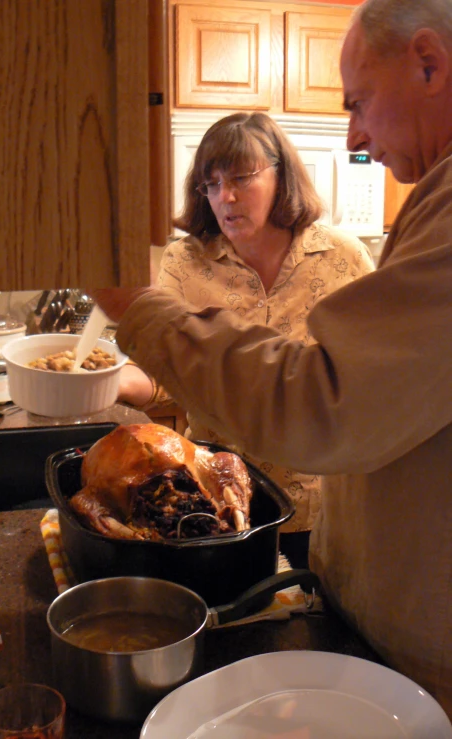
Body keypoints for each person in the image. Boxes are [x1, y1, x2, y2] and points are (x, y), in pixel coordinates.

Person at [93, 0, 452, 715]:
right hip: (373, 625)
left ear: (429, 63)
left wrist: (138, 308)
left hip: (425, 662)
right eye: (211, 185)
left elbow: (324, 401)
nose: (356, 134)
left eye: (359, 102)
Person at [118, 112, 374, 568]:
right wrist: (113, 383)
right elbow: (168, 379)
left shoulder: (343, 258)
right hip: (217, 503)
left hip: (324, 505)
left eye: (241, 178)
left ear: (283, 176)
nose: (226, 197)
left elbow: (368, 383)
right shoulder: (186, 261)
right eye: (210, 184)